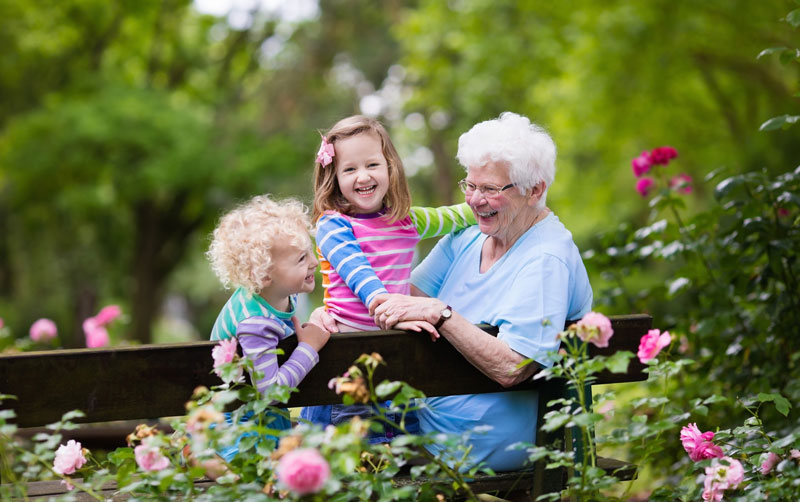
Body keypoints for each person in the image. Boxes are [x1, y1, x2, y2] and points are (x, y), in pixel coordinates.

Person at [371, 112, 593, 472]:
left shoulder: (546, 258)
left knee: (333, 441)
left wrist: (441, 314)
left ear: (534, 189)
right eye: (470, 186)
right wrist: (336, 311)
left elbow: (514, 366)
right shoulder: (469, 235)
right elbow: (400, 297)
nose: (474, 200)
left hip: (488, 445)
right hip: (422, 424)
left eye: (490, 189)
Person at [301, 115, 476, 440]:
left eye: (372, 164)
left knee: (396, 461)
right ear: (334, 177)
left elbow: (453, 216)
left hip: (395, 363)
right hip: (347, 368)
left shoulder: (404, 220)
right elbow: (361, 277)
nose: (363, 176)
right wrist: (393, 311)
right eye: (349, 169)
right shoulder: (333, 226)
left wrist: (497, 203)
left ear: (390, 167)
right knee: (349, 468)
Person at [206, 194, 330, 465]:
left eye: (310, 251)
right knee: (260, 478)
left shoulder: (281, 294)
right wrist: (308, 347)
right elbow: (270, 393)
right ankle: (206, 458)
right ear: (263, 275)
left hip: (257, 412)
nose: (312, 261)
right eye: (300, 259)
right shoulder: (255, 322)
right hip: (236, 421)